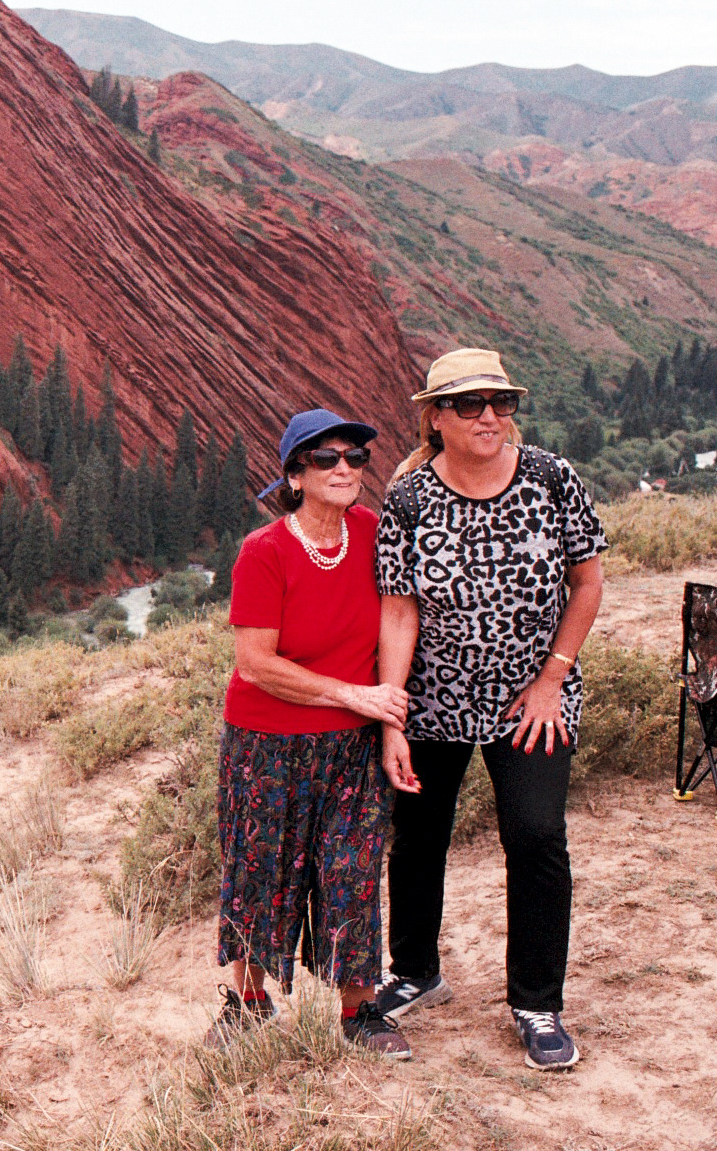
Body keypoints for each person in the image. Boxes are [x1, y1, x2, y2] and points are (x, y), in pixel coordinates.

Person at [372, 349, 605, 1071]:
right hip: (433, 701)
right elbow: (399, 613)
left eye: (501, 402)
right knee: (418, 838)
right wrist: (392, 719)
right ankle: (416, 972)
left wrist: (551, 678)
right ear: (436, 418)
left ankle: (537, 1003)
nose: (489, 417)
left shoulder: (551, 478)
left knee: (537, 837)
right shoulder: (408, 499)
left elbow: (588, 582)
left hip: (530, 702)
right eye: (469, 404)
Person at [208, 409, 414, 1057]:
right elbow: (255, 664)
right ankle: (247, 1006)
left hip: (351, 745)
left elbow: (395, 624)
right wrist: (356, 696)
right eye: (326, 458)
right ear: (295, 475)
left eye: (355, 457)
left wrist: (387, 724)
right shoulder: (264, 550)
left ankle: (361, 1012)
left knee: (352, 871)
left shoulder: (374, 533)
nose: (344, 468)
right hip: (265, 743)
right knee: (259, 872)